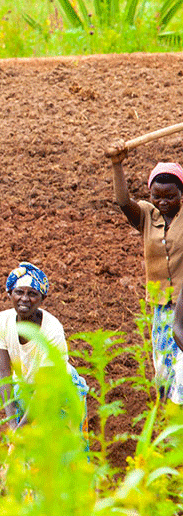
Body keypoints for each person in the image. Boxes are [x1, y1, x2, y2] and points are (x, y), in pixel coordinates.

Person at [106, 140, 183, 403]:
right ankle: (169, 414)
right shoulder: (147, 216)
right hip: (162, 304)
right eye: (157, 196)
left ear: (181, 194)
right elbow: (122, 201)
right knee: (163, 367)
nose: (163, 202)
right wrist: (117, 164)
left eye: (170, 196)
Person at [0, 262, 88, 431]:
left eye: (32, 294)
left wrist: (21, 428)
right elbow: (3, 374)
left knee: (59, 444)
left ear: (43, 299)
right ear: (9, 294)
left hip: (59, 392)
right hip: (25, 389)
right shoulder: (0, 322)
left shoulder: (52, 330)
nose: (24, 299)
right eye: (19, 292)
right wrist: (12, 423)